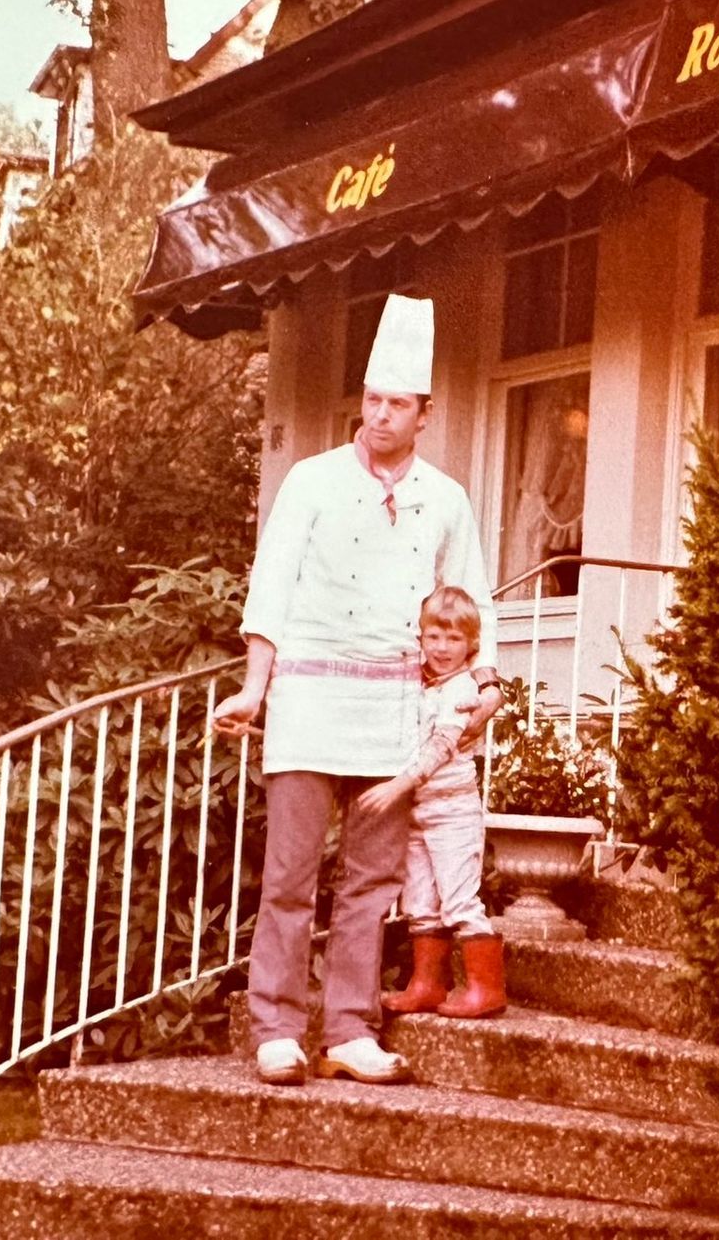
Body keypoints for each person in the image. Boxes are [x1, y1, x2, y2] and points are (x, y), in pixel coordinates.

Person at [211, 295, 502, 1086]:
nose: (378, 415)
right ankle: (276, 1023)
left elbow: (469, 593)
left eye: (396, 403)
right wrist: (254, 688)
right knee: (291, 874)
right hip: (308, 700)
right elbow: (270, 589)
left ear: (423, 412)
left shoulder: (445, 498)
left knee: (372, 881)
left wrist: (485, 682)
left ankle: (347, 1027)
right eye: (371, 399)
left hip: (390, 710)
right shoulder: (309, 481)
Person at [364, 585, 508, 1020]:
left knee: (460, 898)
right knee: (420, 902)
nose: (443, 648)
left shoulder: (463, 690)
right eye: (434, 638)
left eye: (454, 639)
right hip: (417, 811)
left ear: (472, 646)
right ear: (420, 639)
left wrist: (397, 786)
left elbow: (441, 746)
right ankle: (428, 983)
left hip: (452, 811)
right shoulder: (418, 686)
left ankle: (487, 989)